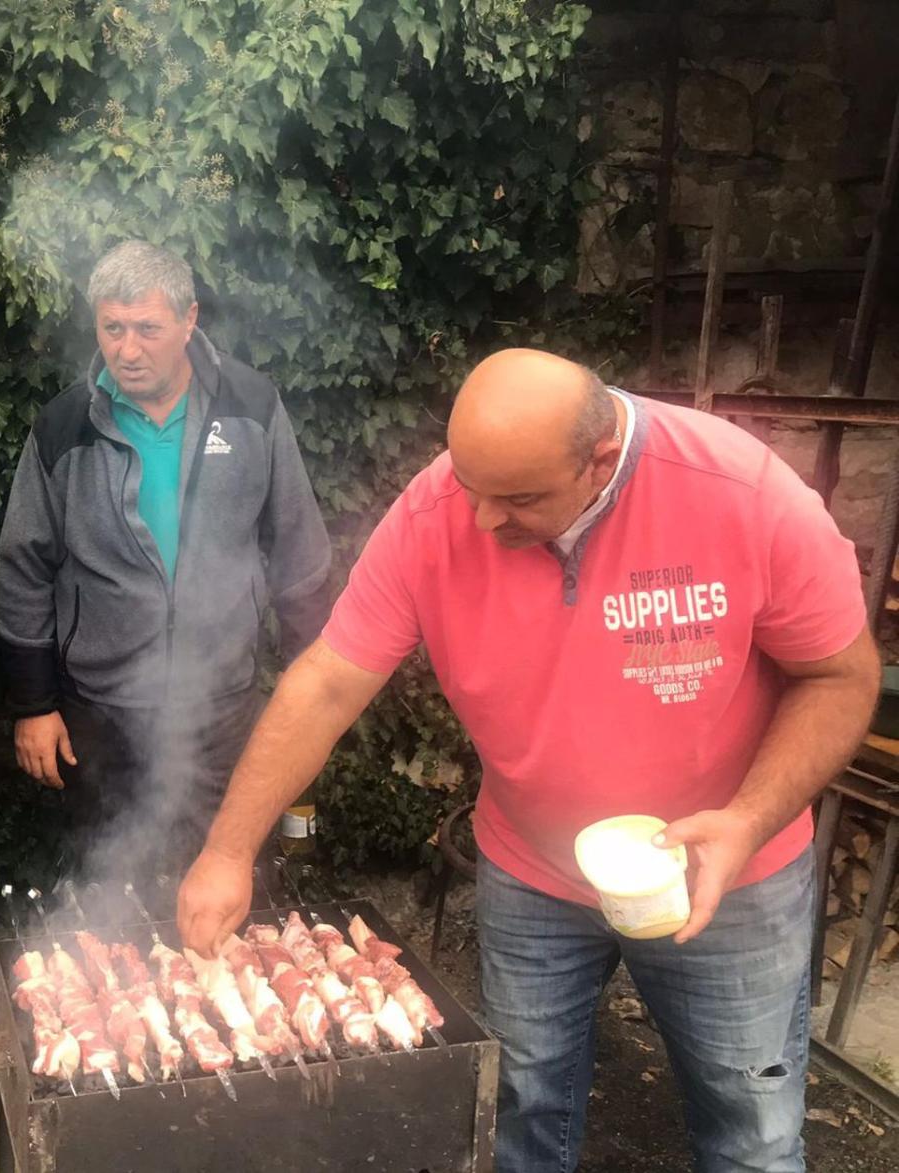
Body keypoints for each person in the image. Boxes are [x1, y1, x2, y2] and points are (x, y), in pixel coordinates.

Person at [177, 348, 879, 1173]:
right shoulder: (437, 509)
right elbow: (328, 682)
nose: (480, 519)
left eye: (516, 499)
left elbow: (841, 676)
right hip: (533, 873)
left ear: (600, 463)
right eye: (469, 483)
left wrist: (748, 820)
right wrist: (227, 849)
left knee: (751, 1128)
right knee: (521, 1105)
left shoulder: (744, 495)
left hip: (724, 874)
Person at [0, 240, 331, 884]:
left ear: (188, 319)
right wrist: (33, 704)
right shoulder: (65, 426)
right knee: (110, 886)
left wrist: (307, 687)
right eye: (112, 328)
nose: (127, 350)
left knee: (226, 878)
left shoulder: (250, 406)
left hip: (221, 709)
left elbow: (299, 551)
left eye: (147, 329)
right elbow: (22, 569)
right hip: (102, 715)